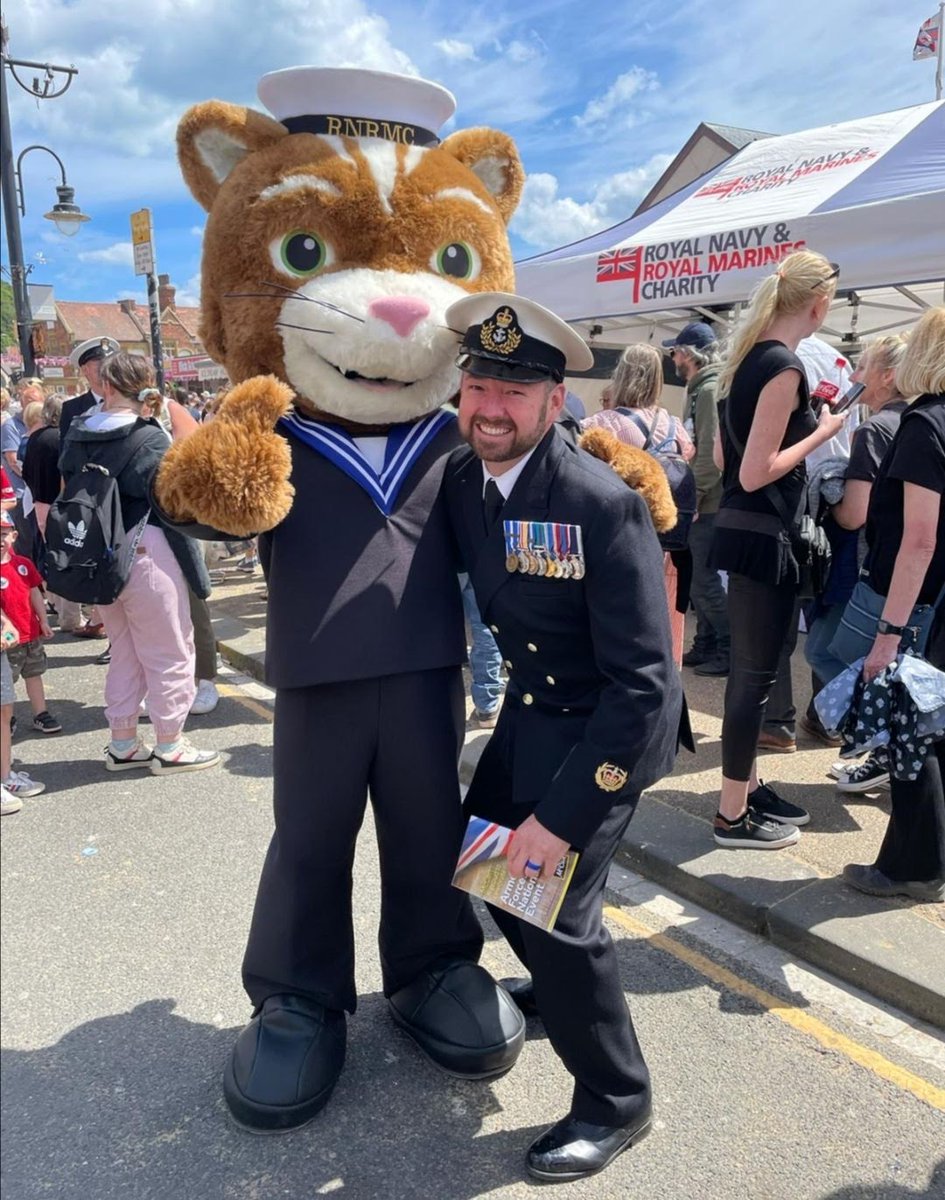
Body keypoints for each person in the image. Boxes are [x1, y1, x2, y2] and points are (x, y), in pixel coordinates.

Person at [445, 292, 688, 1182]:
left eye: (514, 390)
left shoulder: (598, 502)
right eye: (478, 384)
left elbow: (643, 681)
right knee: (488, 868)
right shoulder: (466, 481)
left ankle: (617, 1101)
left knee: (556, 908)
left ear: (555, 401)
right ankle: (555, 992)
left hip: (605, 728)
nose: (491, 407)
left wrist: (565, 814)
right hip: (531, 717)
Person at [709, 250, 852, 849]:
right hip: (765, 537)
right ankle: (732, 815)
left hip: (743, 534)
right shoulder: (782, 367)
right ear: (818, 305)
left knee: (751, 675)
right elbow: (753, 469)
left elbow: (723, 461)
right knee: (755, 681)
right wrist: (821, 431)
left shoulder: (741, 363)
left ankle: (748, 788)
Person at [59, 352, 219, 774]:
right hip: (147, 549)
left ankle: (123, 741)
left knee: (125, 650)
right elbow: (173, 504)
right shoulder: (150, 437)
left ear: (106, 387)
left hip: (100, 556)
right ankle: (170, 743)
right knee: (170, 648)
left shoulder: (78, 433)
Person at [841, 307, 945, 904]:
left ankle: (912, 868)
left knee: (915, 733)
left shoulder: (923, 424)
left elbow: (920, 538)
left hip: (925, 604)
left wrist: (889, 634)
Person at [804, 334, 909, 781]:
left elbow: (853, 517)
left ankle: (880, 742)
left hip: (869, 566)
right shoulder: (919, 420)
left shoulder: (874, 429)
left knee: (825, 651)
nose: (853, 376)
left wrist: (826, 498)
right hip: (910, 569)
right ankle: (886, 745)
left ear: (887, 376)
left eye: (861, 366)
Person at [582, 343, 694, 667]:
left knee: (618, 620)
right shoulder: (673, 425)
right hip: (667, 539)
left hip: (619, 539)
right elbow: (689, 458)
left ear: (621, 375)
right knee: (665, 619)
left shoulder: (602, 423)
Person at [664, 322, 730, 676]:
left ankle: (727, 647)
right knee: (698, 581)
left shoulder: (707, 391)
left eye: (674, 351)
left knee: (703, 582)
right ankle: (706, 643)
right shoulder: (701, 387)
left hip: (707, 503)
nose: (672, 357)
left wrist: (696, 499)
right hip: (704, 501)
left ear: (687, 354)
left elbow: (708, 453)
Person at [60, 337, 120, 640]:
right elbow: (66, 461)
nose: (108, 369)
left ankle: (116, 634)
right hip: (91, 501)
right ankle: (110, 630)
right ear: (85, 369)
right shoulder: (73, 409)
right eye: (100, 364)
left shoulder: (131, 399)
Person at [0, 509, 60, 737]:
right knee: (7, 680)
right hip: (7, 640)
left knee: (34, 673)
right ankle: (8, 717)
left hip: (30, 633)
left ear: (14, 536)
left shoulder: (23, 564)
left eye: (4, 534)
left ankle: (41, 713)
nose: (0, 540)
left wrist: (44, 620)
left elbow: (35, 593)